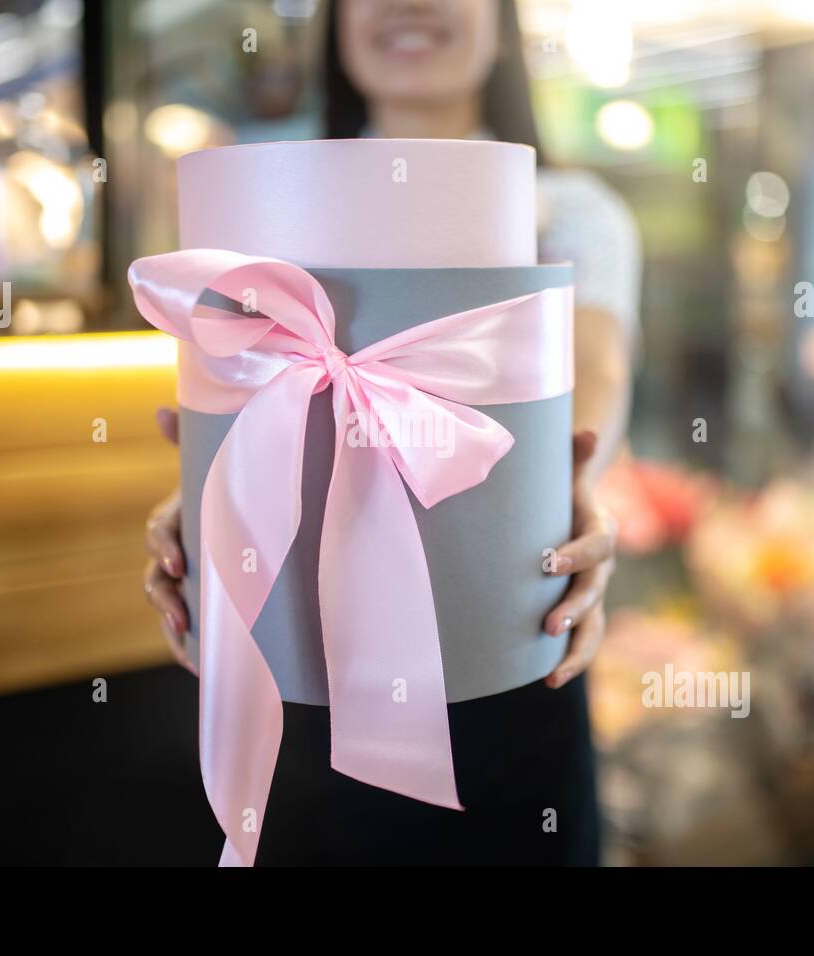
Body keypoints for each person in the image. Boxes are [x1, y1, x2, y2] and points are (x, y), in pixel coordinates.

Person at [142, 0, 640, 865]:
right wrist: (212, 491)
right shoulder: (265, 196)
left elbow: (591, 387)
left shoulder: (570, 210)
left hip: (505, 665)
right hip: (295, 674)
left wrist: (571, 486)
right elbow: (244, 397)